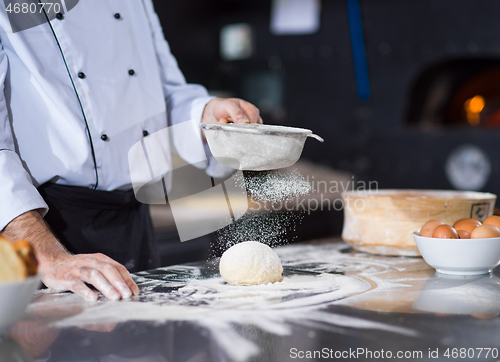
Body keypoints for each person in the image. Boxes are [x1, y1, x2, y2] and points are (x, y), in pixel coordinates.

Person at [0, 0, 261, 301]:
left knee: (142, 339)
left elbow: (164, 92)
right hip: (39, 230)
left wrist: (206, 114)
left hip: (134, 219)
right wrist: (44, 254)